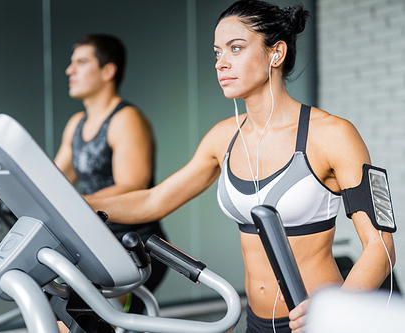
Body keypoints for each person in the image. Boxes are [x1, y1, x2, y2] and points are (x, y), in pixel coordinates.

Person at [86, 2, 396, 333]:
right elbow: (153, 201)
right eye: (217, 52)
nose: (221, 63)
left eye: (235, 48)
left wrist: (336, 312)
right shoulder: (224, 138)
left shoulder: (332, 135)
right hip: (256, 322)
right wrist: (75, 206)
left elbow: (380, 246)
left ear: (276, 53)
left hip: (318, 321)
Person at [54, 34, 168, 323]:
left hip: (135, 247)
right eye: (71, 64)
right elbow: (54, 182)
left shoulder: (125, 119)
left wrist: (78, 204)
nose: (70, 70)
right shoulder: (75, 125)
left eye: (81, 62)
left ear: (108, 71)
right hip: (96, 244)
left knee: (97, 322)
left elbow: (133, 187)